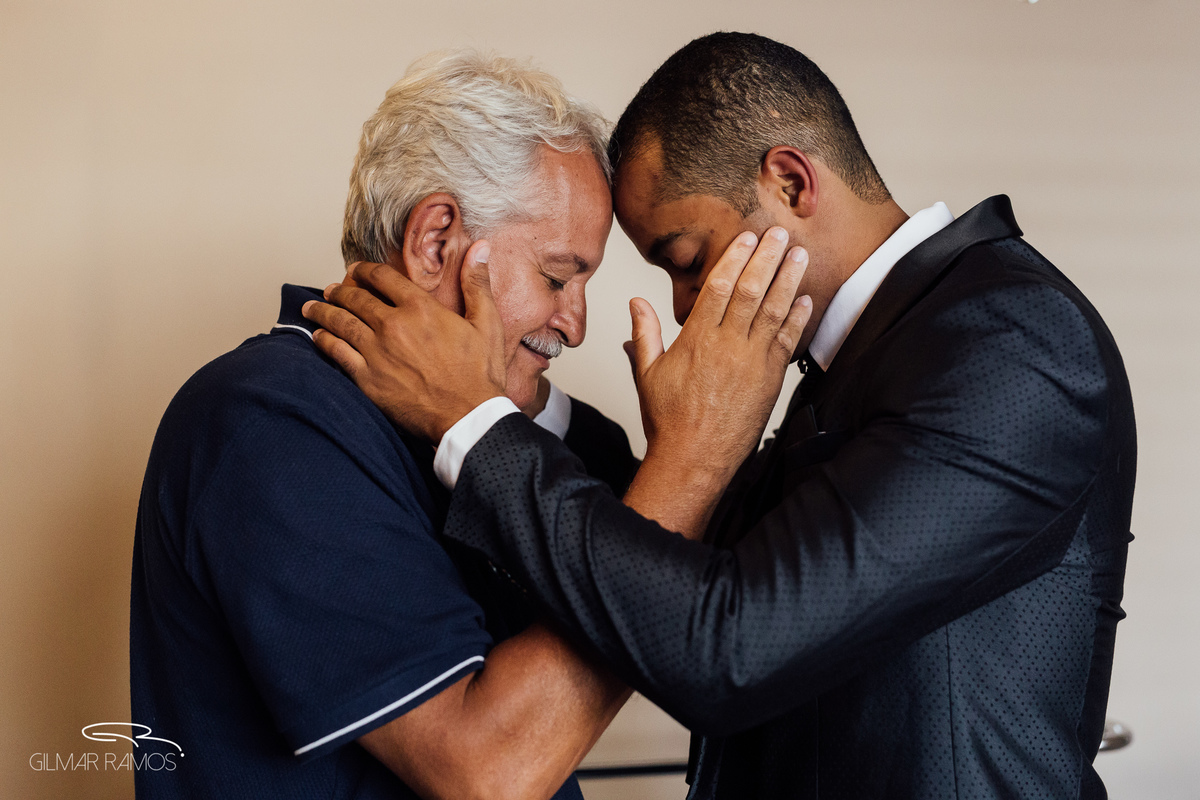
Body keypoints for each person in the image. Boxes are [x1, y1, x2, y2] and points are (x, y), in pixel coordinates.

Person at [304, 33, 1136, 800]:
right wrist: (571, 412)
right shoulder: (846, 364)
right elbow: (682, 569)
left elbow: (727, 646)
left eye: (688, 260)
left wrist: (472, 415)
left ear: (790, 182)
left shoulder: (1011, 343)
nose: (683, 305)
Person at [129, 50, 648, 800]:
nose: (575, 324)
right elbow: (488, 775)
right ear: (436, 241)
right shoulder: (267, 422)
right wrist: (685, 473)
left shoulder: (485, 426)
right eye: (557, 276)